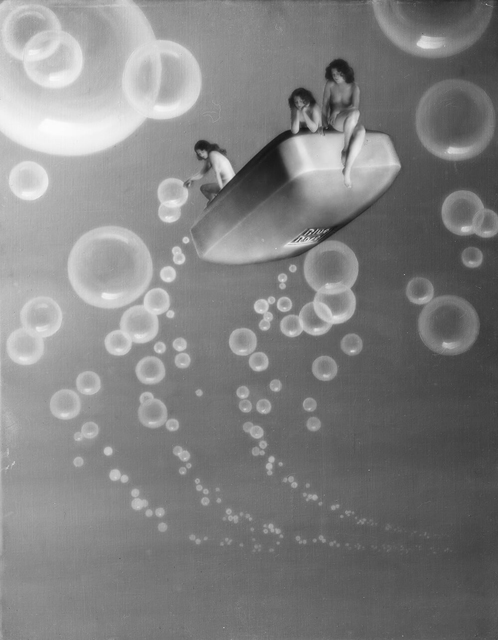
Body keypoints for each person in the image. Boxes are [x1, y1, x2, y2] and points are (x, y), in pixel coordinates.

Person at [322, 59, 366, 188]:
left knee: (361, 130)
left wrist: (338, 110)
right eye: (333, 74)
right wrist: (323, 124)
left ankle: (347, 170)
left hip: (349, 121)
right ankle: (345, 150)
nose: (335, 77)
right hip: (336, 122)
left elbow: (355, 107)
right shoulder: (330, 84)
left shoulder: (354, 87)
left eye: (338, 74)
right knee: (354, 115)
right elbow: (324, 105)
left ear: (345, 73)